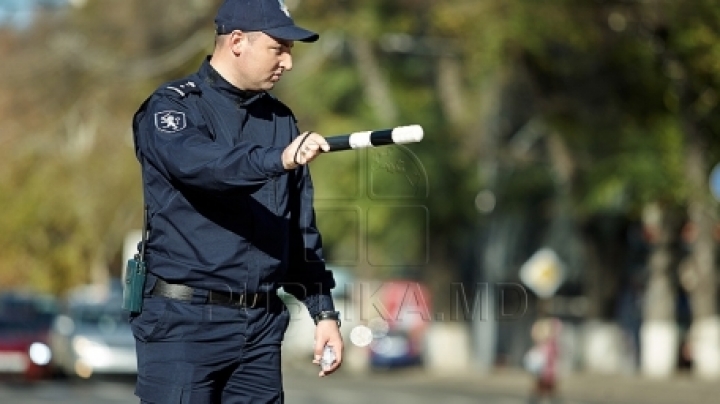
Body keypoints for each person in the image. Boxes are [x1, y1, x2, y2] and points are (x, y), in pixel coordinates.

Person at [129, 0, 343, 402]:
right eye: (279, 48)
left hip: (261, 326)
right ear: (238, 41)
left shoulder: (281, 120)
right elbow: (205, 167)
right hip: (183, 323)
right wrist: (276, 159)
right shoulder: (173, 108)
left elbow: (298, 228)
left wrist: (324, 311)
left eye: (291, 51)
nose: (288, 62)